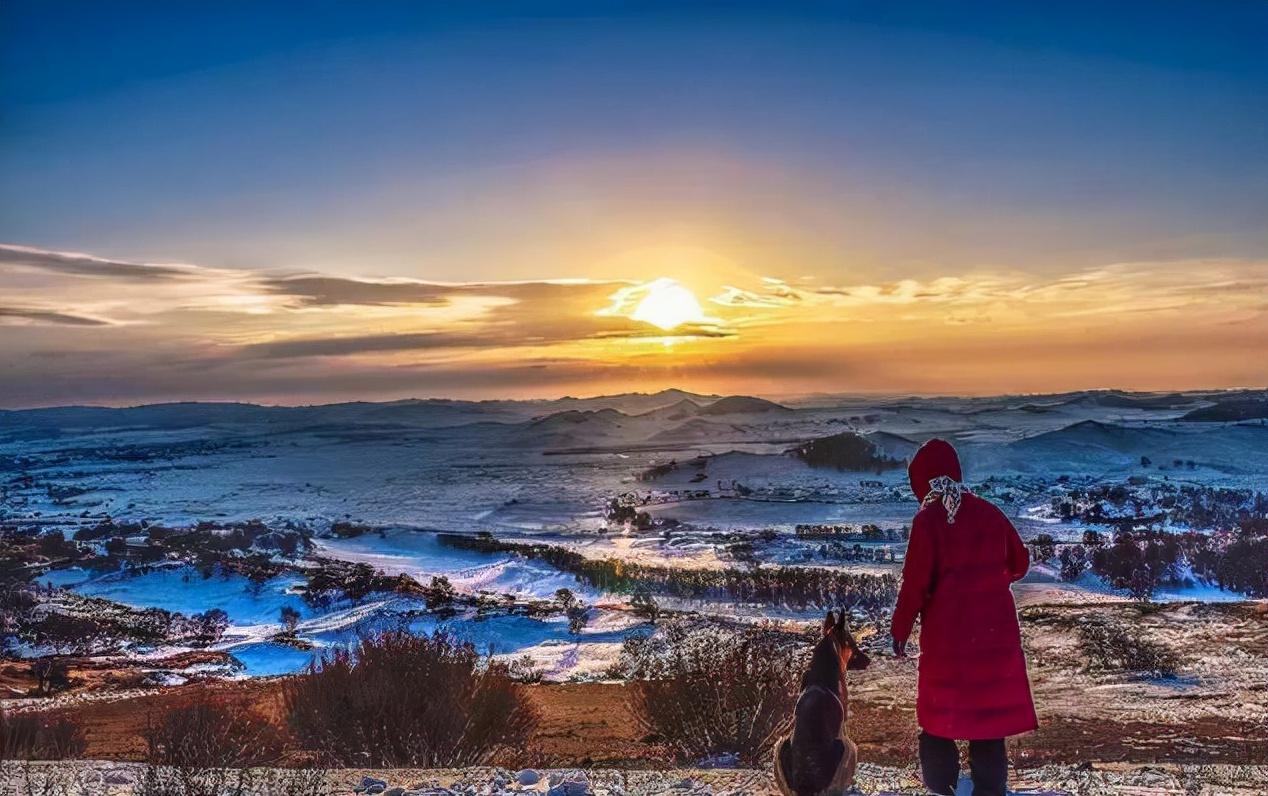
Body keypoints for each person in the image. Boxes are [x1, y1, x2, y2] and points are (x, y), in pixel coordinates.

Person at [891, 438, 1037, 796]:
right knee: (989, 726)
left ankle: (942, 791)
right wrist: (991, 583)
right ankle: (990, 791)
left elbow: (915, 585)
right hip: (995, 636)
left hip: (948, 642)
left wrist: (900, 630)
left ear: (921, 482)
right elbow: (1020, 561)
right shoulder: (989, 511)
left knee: (938, 723)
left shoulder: (928, 521)